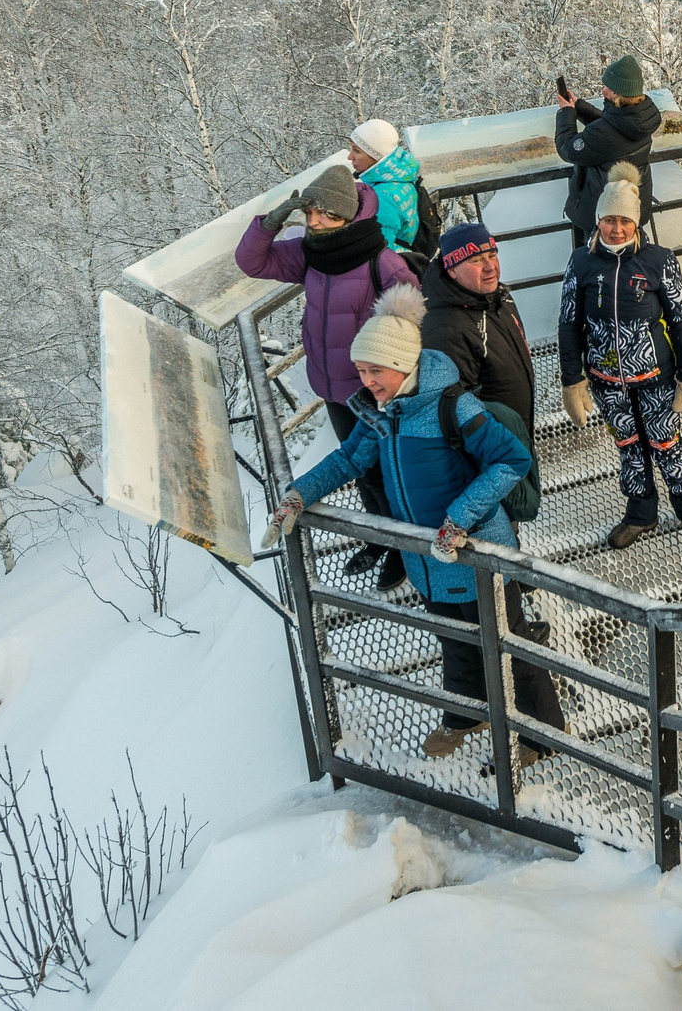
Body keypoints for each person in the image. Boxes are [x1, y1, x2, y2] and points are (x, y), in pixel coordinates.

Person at [264, 287, 567, 765]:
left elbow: (512, 459)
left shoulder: (454, 407)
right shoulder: (384, 415)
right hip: (426, 559)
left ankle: (541, 734)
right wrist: (298, 495)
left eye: (374, 371)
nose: (366, 382)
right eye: (361, 371)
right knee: (453, 638)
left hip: (476, 554)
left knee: (508, 644)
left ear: (404, 365)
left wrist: (459, 519)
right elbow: (347, 460)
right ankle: (467, 714)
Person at [235, 164, 418, 586]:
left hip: (373, 393)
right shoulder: (310, 253)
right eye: (311, 213)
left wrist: (395, 388)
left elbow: (412, 334)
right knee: (361, 471)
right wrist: (272, 221)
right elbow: (251, 261)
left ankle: (404, 550)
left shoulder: (384, 266)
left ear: (350, 215)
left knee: (386, 471)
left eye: (327, 215)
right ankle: (379, 537)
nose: (316, 223)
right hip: (332, 386)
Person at [557, 163, 682, 549]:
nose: (617, 229)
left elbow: (680, 319)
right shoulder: (581, 263)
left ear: (636, 223)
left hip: (656, 376)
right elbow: (568, 324)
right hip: (607, 382)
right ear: (598, 222)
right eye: (609, 220)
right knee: (629, 447)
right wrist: (572, 380)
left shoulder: (657, 260)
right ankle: (641, 514)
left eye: (625, 221)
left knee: (666, 443)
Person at [421, 223, 545, 636]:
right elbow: (456, 408)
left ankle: (512, 576)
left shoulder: (494, 297)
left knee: (508, 523)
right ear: (452, 269)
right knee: (494, 528)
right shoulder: (447, 327)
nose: (489, 266)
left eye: (491, 254)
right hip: (487, 456)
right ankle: (514, 630)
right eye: (475, 260)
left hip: (508, 439)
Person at [556, 58, 662, 241]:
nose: (602, 90)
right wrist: (579, 107)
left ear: (616, 92)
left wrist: (566, 113)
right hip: (633, 208)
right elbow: (612, 126)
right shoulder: (640, 117)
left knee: (597, 265)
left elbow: (568, 149)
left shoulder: (605, 133)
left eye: (606, 86)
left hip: (605, 216)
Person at [348, 119, 437, 260]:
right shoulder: (402, 178)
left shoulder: (382, 197)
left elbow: (377, 253)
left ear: (376, 156)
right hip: (407, 261)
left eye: (357, 151)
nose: (350, 157)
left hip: (392, 271)